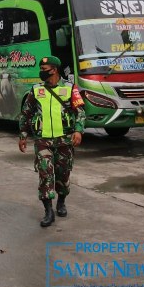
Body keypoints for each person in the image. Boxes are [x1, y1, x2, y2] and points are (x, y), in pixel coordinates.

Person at [18, 56, 85, 227]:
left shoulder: (70, 89)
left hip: (64, 140)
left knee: (63, 174)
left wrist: (78, 130)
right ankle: (48, 211)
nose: (42, 71)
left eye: (45, 68)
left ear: (54, 69)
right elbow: (26, 113)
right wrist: (23, 134)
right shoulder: (36, 90)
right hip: (43, 141)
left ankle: (61, 201)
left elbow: (80, 112)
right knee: (45, 174)